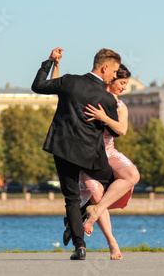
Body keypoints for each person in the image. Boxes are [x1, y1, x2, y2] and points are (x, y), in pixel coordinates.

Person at [31, 47, 121, 260]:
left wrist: (50, 62)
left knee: (71, 198)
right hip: (91, 155)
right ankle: (84, 216)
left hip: (62, 148)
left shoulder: (70, 82)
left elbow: (38, 86)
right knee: (111, 182)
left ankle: (79, 246)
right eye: (115, 72)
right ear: (105, 67)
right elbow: (115, 131)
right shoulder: (108, 100)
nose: (115, 76)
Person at [52, 59, 140, 260]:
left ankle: (94, 212)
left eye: (127, 84)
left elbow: (122, 130)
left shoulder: (119, 105)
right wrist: (55, 65)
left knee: (132, 174)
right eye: (122, 83)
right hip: (86, 154)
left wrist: (104, 117)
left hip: (108, 153)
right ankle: (112, 244)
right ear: (111, 78)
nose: (124, 88)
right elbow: (59, 88)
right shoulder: (89, 96)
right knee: (97, 191)